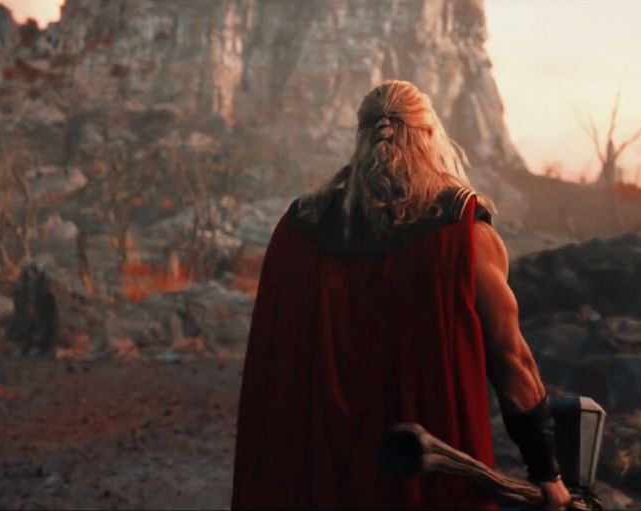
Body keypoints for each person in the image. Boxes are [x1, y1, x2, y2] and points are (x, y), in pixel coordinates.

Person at [231, 80, 570, 510]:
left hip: (316, 476)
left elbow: (274, 362)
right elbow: (512, 361)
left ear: (360, 138)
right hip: (419, 481)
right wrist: (547, 473)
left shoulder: (299, 227)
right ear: (429, 136)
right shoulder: (463, 234)